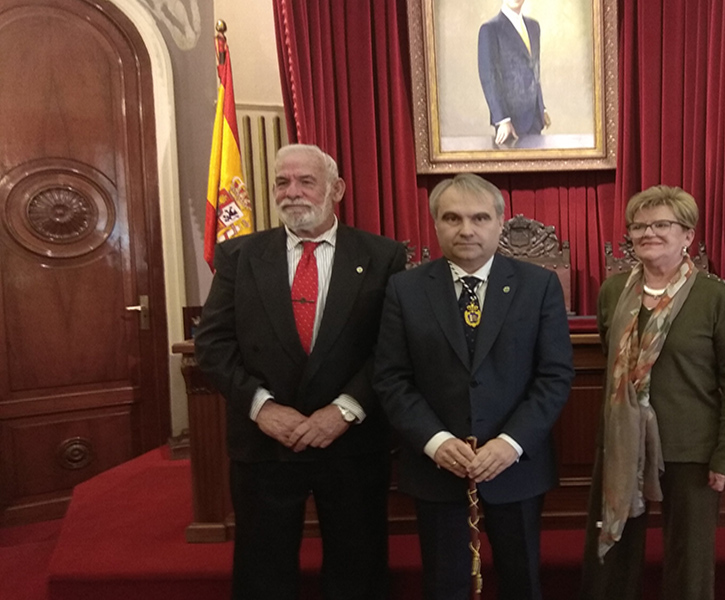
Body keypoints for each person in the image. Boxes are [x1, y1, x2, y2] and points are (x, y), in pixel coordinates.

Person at [194, 144, 406, 600]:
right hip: (265, 444)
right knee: (263, 570)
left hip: (350, 443)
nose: (292, 193)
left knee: (358, 568)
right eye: (281, 182)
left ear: (337, 189)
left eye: (305, 182)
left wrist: (346, 410)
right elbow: (212, 344)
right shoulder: (239, 256)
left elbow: (393, 348)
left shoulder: (383, 256)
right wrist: (261, 408)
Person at [373, 173, 574, 600]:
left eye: (479, 217)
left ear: (500, 223)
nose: (467, 229)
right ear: (436, 224)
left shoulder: (537, 286)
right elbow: (391, 378)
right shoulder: (404, 289)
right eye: (453, 218)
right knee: (445, 585)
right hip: (437, 466)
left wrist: (511, 443)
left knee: (522, 583)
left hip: (516, 466)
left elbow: (554, 375)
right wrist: (435, 441)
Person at [581, 185, 725, 600]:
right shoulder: (613, 292)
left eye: (661, 224)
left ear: (687, 235)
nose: (647, 233)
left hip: (691, 446)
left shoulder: (716, 296)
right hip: (622, 442)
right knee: (613, 553)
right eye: (638, 226)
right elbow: (613, 356)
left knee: (689, 558)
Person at [478, 0, 550, 145]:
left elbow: (534, 70)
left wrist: (541, 107)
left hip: (535, 118)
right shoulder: (490, 30)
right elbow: (488, 77)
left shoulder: (533, 27)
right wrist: (502, 119)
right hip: (510, 122)